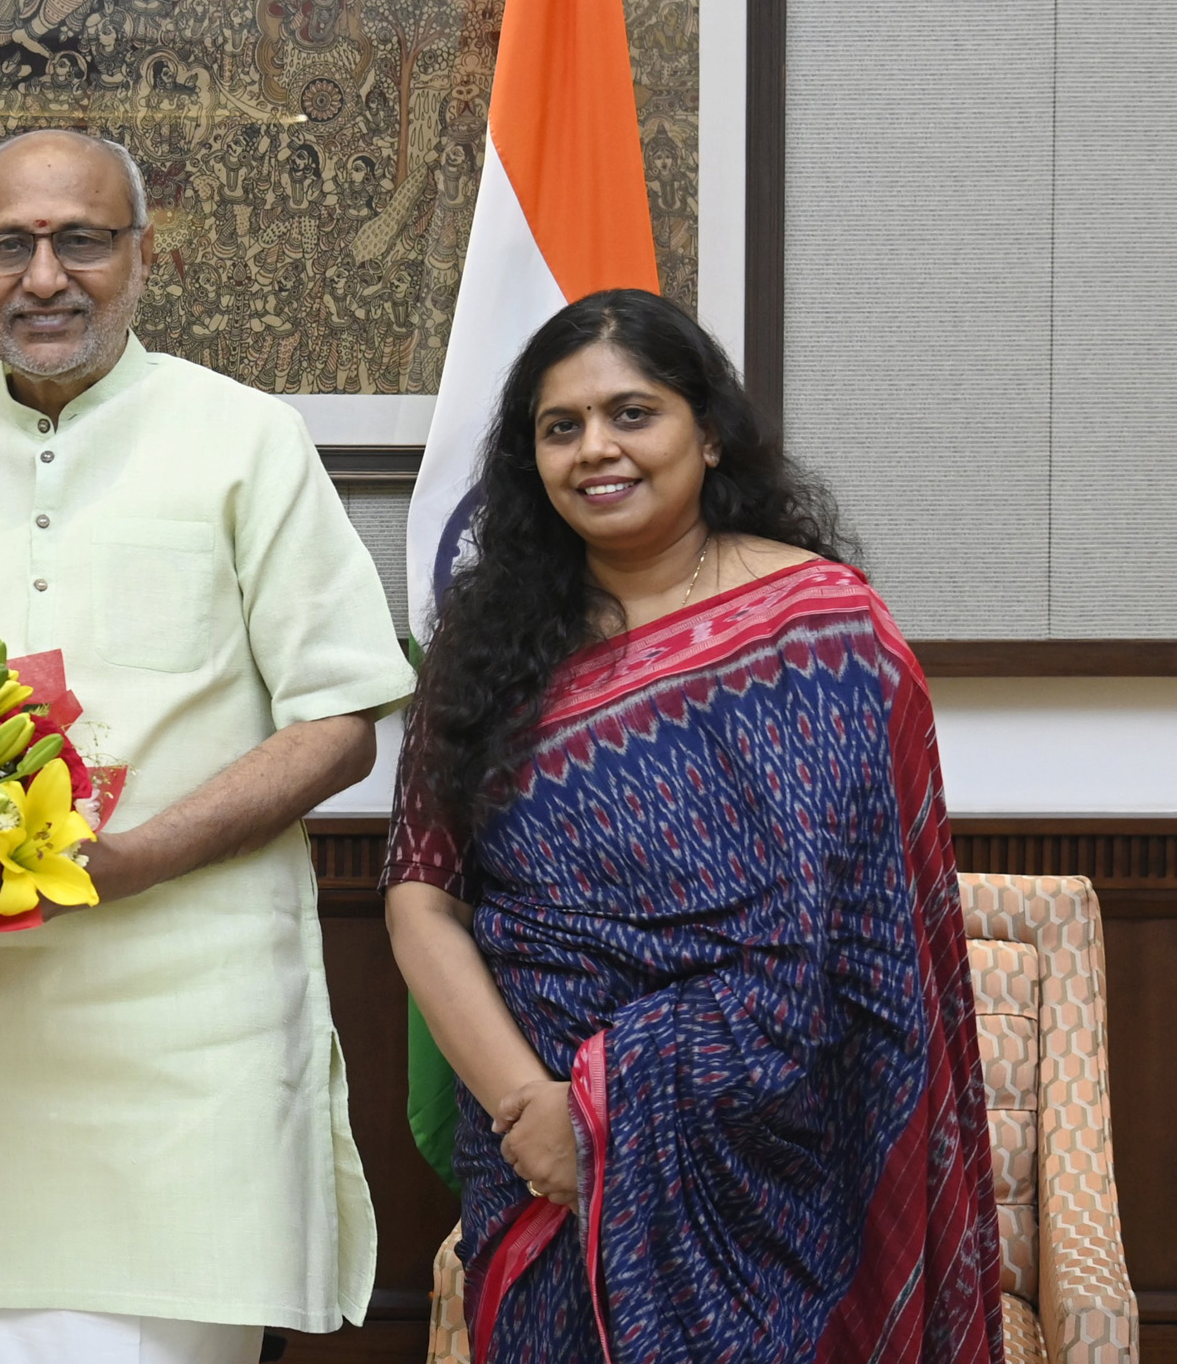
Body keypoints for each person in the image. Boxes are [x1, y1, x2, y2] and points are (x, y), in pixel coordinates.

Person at [0, 129, 417, 1364]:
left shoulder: (247, 436)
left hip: (185, 1056)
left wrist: (126, 859)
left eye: (80, 239)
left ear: (144, 254)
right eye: (6, 245)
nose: (44, 277)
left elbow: (341, 719)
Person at [383, 289, 1002, 1363]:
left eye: (633, 412)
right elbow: (421, 894)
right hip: (535, 1152)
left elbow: (847, 943)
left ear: (706, 432)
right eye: (559, 425)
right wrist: (538, 1113)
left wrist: (620, 1109)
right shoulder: (483, 648)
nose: (595, 449)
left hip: (779, 1159)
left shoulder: (820, 628)